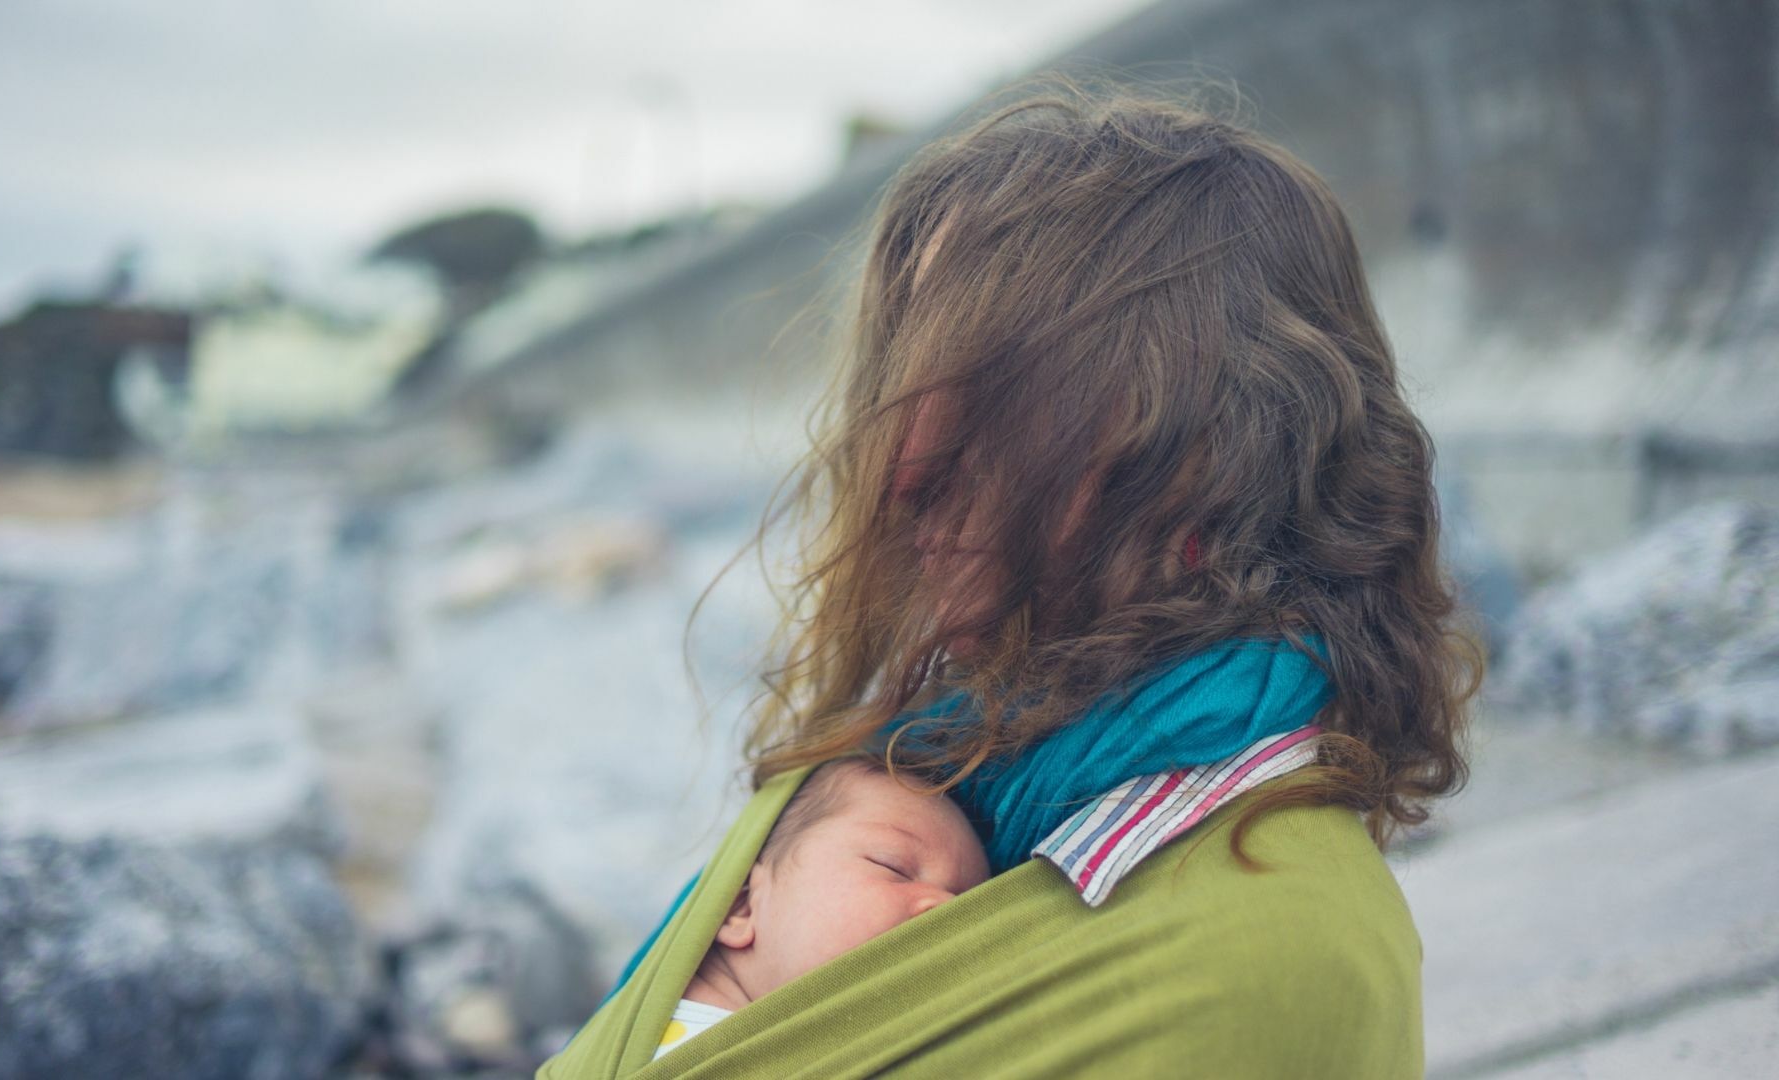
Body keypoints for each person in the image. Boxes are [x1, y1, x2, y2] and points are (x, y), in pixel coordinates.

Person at [545, 81, 1478, 1079]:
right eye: (902, 375)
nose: (901, 471)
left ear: (1192, 460)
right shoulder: (931, 774)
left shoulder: (1263, 956)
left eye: (991, 394)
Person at [652, 758, 990, 1061]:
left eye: (967, 902)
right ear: (740, 909)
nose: (947, 908)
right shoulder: (677, 1040)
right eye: (893, 867)